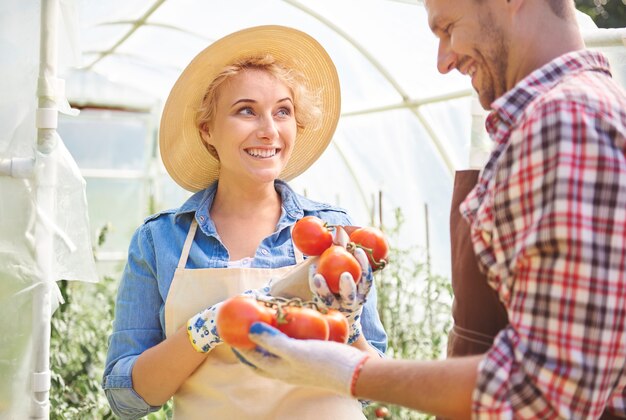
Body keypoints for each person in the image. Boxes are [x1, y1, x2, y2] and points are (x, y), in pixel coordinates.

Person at [237, 1, 626, 418]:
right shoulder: (574, 113)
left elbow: (546, 390)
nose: (443, 61)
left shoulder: (564, 123)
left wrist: (350, 371)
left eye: (449, 28)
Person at [101, 25, 387, 419]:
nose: (269, 130)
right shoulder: (161, 240)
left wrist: (349, 328)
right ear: (208, 130)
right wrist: (207, 328)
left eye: (283, 111)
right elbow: (127, 399)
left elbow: (378, 388)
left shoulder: (331, 234)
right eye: (246, 110)